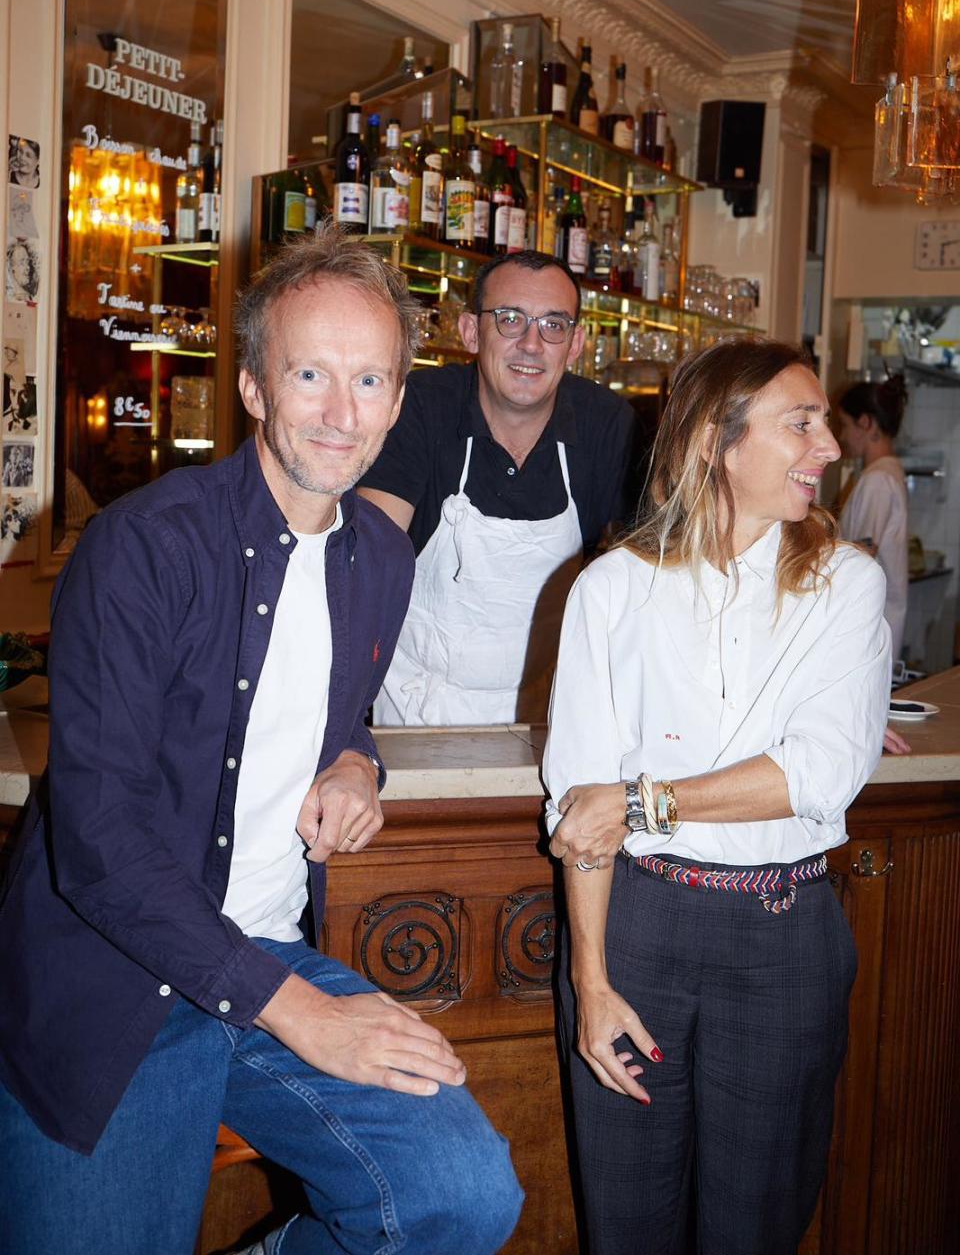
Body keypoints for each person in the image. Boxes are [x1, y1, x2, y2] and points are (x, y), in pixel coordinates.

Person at [0, 228, 523, 1255]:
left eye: (370, 378)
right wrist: (302, 1013)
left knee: (460, 1196)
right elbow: (98, 844)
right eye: (311, 374)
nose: (342, 411)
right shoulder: (142, 547)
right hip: (113, 984)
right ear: (251, 386)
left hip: (262, 957)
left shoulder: (379, 555)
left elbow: (327, 707)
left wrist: (356, 758)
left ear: (400, 399)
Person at [544, 339, 889, 1255]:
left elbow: (820, 772)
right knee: (627, 1222)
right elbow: (581, 810)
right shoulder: (609, 588)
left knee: (757, 1229)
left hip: (783, 935)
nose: (829, 444)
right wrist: (591, 979)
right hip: (637, 932)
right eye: (800, 422)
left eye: (824, 420)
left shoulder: (845, 584)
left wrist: (641, 802)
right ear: (714, 439)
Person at [360, 250, 636, 725]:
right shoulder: (419, 410)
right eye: (510, 320)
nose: (531, 344)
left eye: (553, 325)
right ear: (471, 332)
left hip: (554, 715)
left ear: (575, 344)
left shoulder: (607, 425)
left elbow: (641, 580)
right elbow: (365, 566)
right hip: (420, 712)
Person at [835, 374, 909, 661]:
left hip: (868, 625)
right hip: (877, 621)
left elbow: (861, 555)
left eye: (844, 424)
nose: (841, 436)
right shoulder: (887, 474)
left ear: (865, 423)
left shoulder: (877, 480)